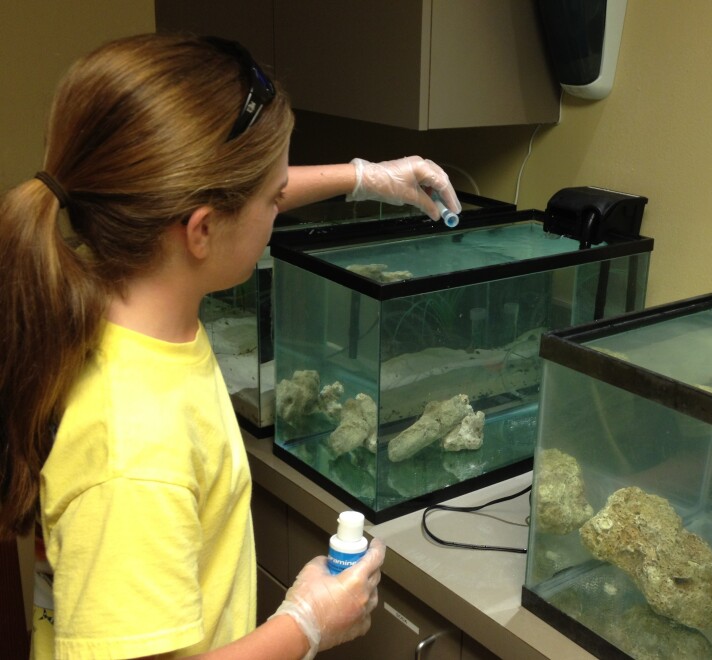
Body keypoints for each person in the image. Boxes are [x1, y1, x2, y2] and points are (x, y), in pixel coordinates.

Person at [0, 33, 460, 659]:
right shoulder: (135, 447)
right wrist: (305, 625)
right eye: (273, 198)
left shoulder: (114, 280)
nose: (279, 204)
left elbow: (233, 196)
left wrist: (364, 178)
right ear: (202, 230)